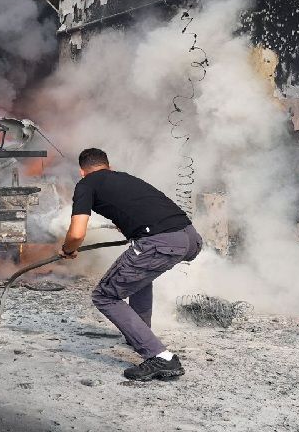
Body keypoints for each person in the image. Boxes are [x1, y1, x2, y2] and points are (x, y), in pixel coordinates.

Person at [59, 148, 203, 381]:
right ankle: (139, 334)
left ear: (82, 171)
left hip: (161, 242)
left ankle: (161, 358)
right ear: (109, 166)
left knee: (104, 296)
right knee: (139, 277)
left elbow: (76, 233)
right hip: (190, 237)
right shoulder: (125, 178)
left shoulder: (86, 184)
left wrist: (68, 249)